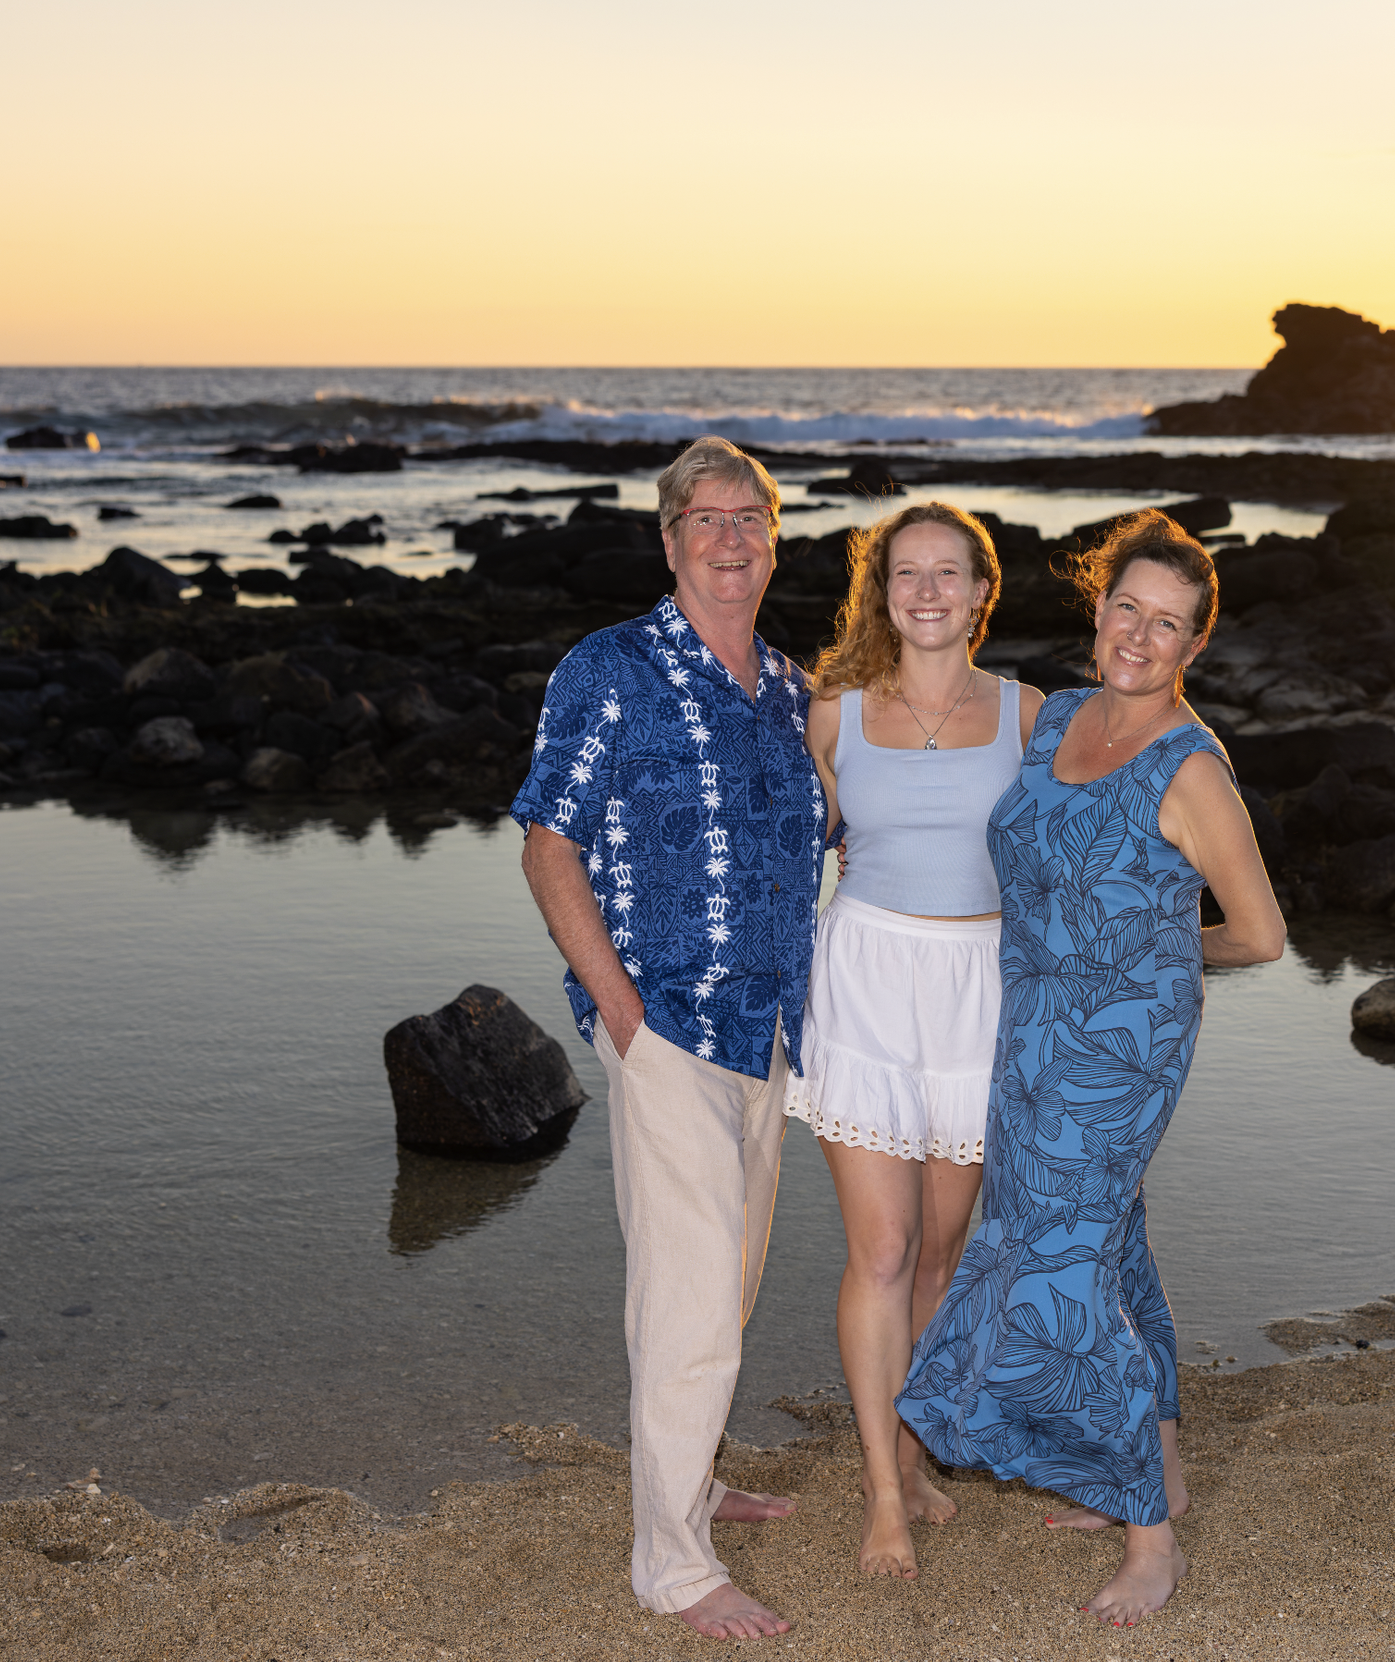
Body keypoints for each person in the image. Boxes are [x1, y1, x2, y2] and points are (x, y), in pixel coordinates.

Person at [895, 509, 1286, 1629]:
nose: (1139, 636)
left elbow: (1258, 935)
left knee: (1057, 1265)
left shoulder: (1189, 768)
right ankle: (1147, 1471)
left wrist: (1148, 958)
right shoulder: (1056, 717)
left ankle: (1150, 1545)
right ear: (1097, 607)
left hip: (1118, 1048)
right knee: (1110, 1253)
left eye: (1167, 625)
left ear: (1193, 646)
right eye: (1127, 608)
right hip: (1026, 1029)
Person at [511, 436, 823, 1641]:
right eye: (707, 519)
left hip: (767, 1029)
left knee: (725, 1281)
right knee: (688, 1293)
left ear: (773, 537)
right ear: (670, 538)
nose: (731, 538)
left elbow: (834, 833)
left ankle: (689, 1480)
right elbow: (549, 840)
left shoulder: (792, 689)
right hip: (668, 1026)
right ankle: (673, 1568)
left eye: (751, 517)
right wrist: (618, 1009)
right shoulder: (613, 668)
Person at [786, 502, 1042, 1580]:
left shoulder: (1032, 714)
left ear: (983, 591)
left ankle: (907, 1445)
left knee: (940, 1253)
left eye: (949, 574)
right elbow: (802, 851)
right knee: (882, 1251)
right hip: (869, 983)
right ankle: (882, 1496)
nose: (927, 592)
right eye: (906, 575)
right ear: (879, 592)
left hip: (981, 991)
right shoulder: (833, 714)